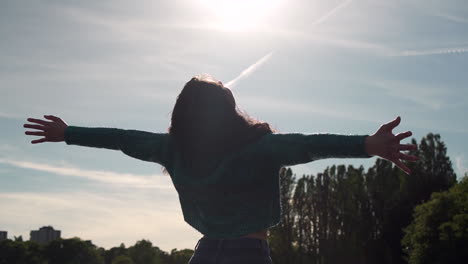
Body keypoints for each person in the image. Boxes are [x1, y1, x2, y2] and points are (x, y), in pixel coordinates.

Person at [24, 74, 418, 264]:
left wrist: (68, 133)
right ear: (228, 112)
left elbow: (122, 137)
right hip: (249, 252)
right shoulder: (260, 147)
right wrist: (367, 145)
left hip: (204, 253)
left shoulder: (171, 148)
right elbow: (310, 144)